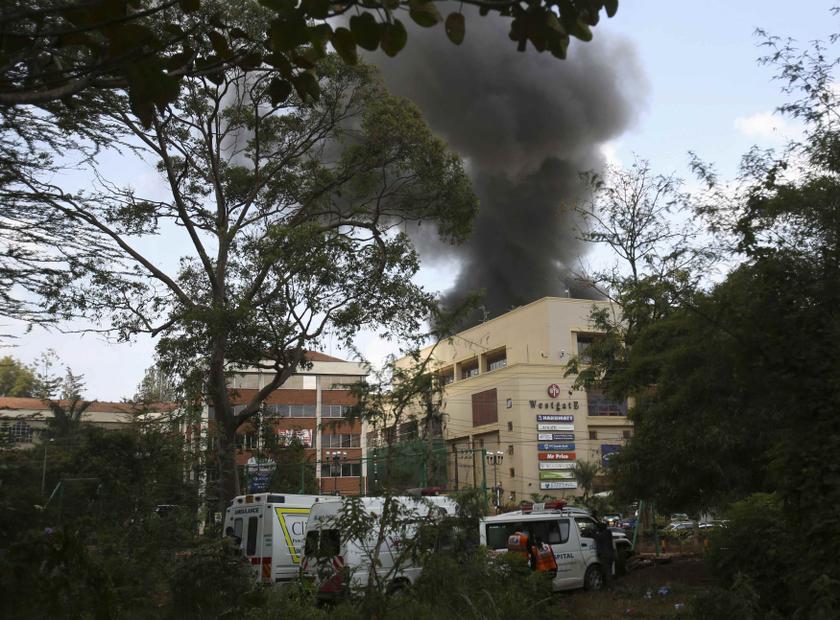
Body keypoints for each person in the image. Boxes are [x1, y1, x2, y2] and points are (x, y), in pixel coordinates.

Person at [594, 522, 615, 588]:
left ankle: (610, 587)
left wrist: (591, 533)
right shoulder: (608, 532)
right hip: (610, 554)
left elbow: (596, 536)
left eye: (598, 528)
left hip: (606, 555)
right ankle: (608, 585)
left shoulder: (602, 535)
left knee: (607, 571)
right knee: (608, 571)